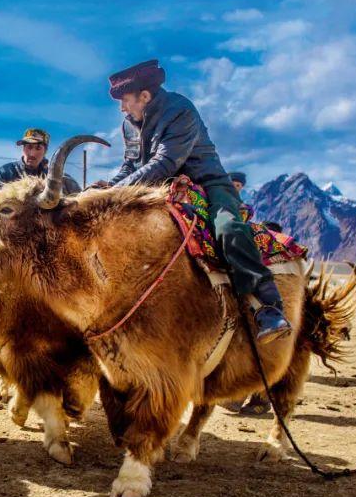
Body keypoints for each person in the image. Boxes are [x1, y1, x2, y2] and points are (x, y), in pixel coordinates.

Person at [92, 59, 291, 344]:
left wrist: (112, 196)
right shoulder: (129, 125)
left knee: (228, 229)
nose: (122, 108)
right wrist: (107, 189)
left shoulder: (180, 111)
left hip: (208, 184)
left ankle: (270, 306)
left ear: (145, 97)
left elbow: (165, 162)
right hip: (158, 190)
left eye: (125, 101)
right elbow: (130, 166)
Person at [0, 128, 82, 193]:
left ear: (45, 151)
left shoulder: (55, 176)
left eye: (38, 148)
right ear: (23, 148)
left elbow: (78, 196)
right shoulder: (6, 172)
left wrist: (89, 192)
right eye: (29, 147)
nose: (32, 153)